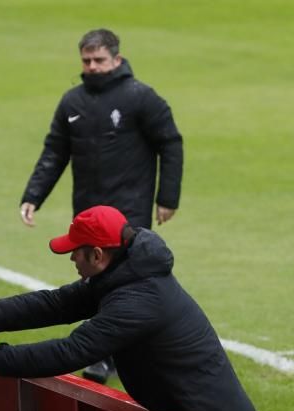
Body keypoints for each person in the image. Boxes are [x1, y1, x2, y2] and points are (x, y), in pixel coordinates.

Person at [0, 206, 270, 411]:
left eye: (76, 251)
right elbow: (56, 304)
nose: (72, 258)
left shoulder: (138, 300)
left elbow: (69, 352)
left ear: (97, 255)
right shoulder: (124, 274)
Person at [19, 28, 183, 385]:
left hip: (129, 212)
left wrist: (167, 198)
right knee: (95, 280)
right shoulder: (72, 102)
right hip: (88, 215)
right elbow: (55, 151)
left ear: (117, 59)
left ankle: (105, 356)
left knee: (121, 281)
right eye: (86, 61)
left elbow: (170, 142)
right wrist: (34, 195)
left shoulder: (140, 97)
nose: (92, 67)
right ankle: (111, 352)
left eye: (99, 60)